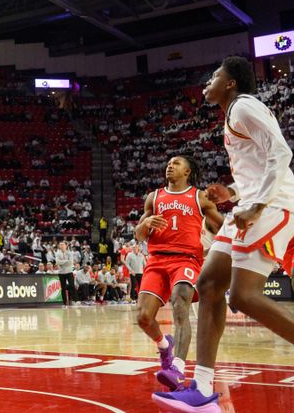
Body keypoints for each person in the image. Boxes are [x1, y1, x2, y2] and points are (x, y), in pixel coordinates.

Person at [153, 57, 294, 412]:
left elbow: (281, 152)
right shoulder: (234, 114)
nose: (207, 82)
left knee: (244, 296)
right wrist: (231, 192)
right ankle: (201, 389)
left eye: (214, 75)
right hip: (250, 203)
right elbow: (259, 164)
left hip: (274, 204)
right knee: (210, 283)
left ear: (230, 83)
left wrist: (257, 205)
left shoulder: (244, 106)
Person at [134, 155, 223, 391]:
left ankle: (178, 367)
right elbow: (139, 235)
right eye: (168, 163)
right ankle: (165, 346)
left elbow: (222, 225)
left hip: (186, 258)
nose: (170, 166)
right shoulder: (154, 197)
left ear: (187, 171)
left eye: (176, 163)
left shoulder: (199, 196)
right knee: (143, 318)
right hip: (157, 259)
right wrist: (145, 224)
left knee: (180, 299)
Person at [55, 241, 75, 306]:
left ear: (66, 246)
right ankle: (64, 303)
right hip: (61, 272)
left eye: (63, 245)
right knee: (63, 288)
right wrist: (66, 261)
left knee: (72, 285)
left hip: (69, 272)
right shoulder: (57, 253)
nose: (62, 246)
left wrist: (62, 262)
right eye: (60, 245)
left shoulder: (70, 253)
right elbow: (57, 262)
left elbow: (71, 262)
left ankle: (74, 300)